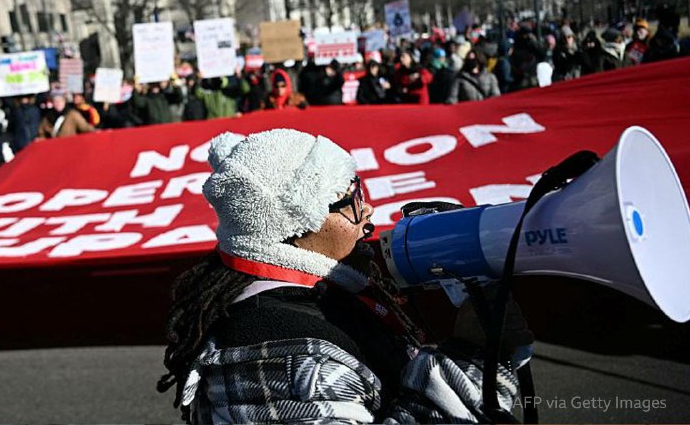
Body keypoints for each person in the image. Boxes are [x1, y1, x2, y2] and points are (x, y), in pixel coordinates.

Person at [157, 129, 531, 423]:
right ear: (295, 228)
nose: (367, 208)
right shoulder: (287, 360)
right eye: (350, 198)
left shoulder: (319, 298)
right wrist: (472, 358)